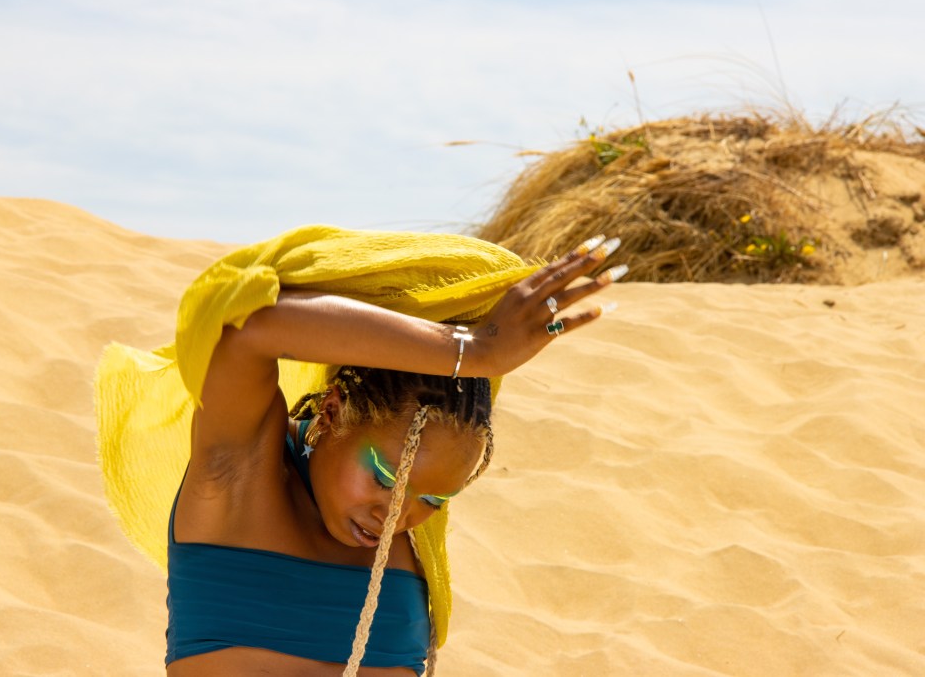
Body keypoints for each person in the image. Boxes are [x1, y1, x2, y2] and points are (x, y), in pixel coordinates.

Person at [160, 230, 625, 676]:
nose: (396, 516)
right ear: (331, 411)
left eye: (434, 500)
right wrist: (474, 351)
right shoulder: (238, 477)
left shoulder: (410, 536)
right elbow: (243, 328)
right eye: (386, 477)